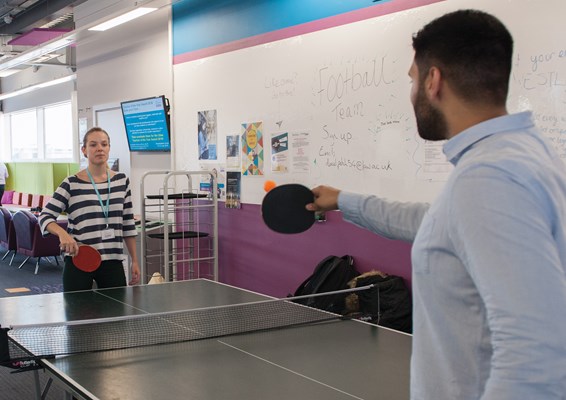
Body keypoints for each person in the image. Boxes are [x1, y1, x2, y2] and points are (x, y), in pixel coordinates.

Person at [307, 10, 566, 400]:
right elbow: (433, 223)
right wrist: (344, 200)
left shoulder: (488, 178)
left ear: (434, 80)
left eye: (412, 79)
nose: (412, 92)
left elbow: (537, 351)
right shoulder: (521, 156)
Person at [39, 127, 140, 292]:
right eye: (93, 145)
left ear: (109, 148)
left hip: (112, 261)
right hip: (79, 259)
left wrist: (134, 260)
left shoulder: (122, 181)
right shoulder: (71, 183)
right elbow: (45, 217)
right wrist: (63, 234)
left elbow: (128, 223)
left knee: (116, 315)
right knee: (77, 314)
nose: (99, 148)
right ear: (84, 150)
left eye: (104, 144)